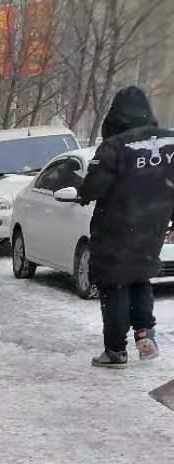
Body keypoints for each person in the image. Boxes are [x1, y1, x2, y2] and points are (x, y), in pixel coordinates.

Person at [77, 86, 174, 369]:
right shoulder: (171, 142)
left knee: (115, 284)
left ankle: (116, 351)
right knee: (140, 278)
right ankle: (145, 333)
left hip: (116, 229)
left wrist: (82, 192)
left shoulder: (115, 146)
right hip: (152, 227)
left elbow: (93, 187)